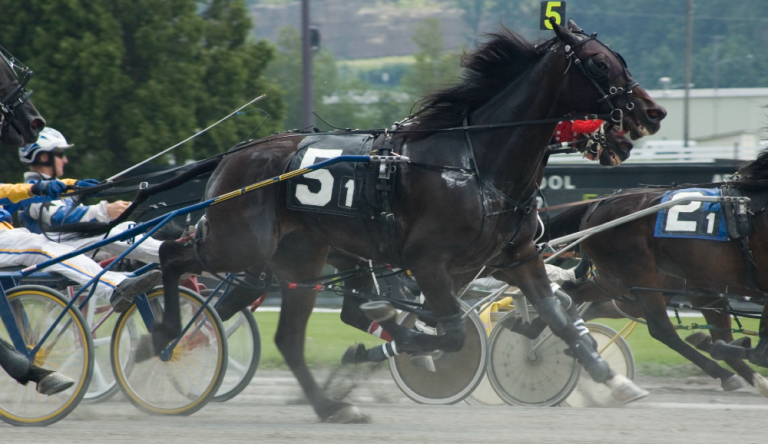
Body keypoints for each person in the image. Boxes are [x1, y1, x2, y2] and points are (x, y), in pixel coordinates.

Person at [0, 178, 162, 396]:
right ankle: (115, 287)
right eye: (58, 154)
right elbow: (13, 192)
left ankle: (172, 253)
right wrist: (34, 188)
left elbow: (10, 195)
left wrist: (73, 185)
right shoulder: (32, 180)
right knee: (42, 248)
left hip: (12, 236)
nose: (64, 158)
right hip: (10, 240)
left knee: (108, 232)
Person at [10, 127, 161, 264]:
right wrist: (104, 211)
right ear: (43, 157)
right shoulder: (33, 190)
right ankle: (169, 255)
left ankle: (167, 252)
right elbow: (60, 218)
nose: (65, 160)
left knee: (126, 228)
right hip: (49, 249)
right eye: (60, 154)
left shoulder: (54, 186)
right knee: (109, 234)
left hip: (66, 244)